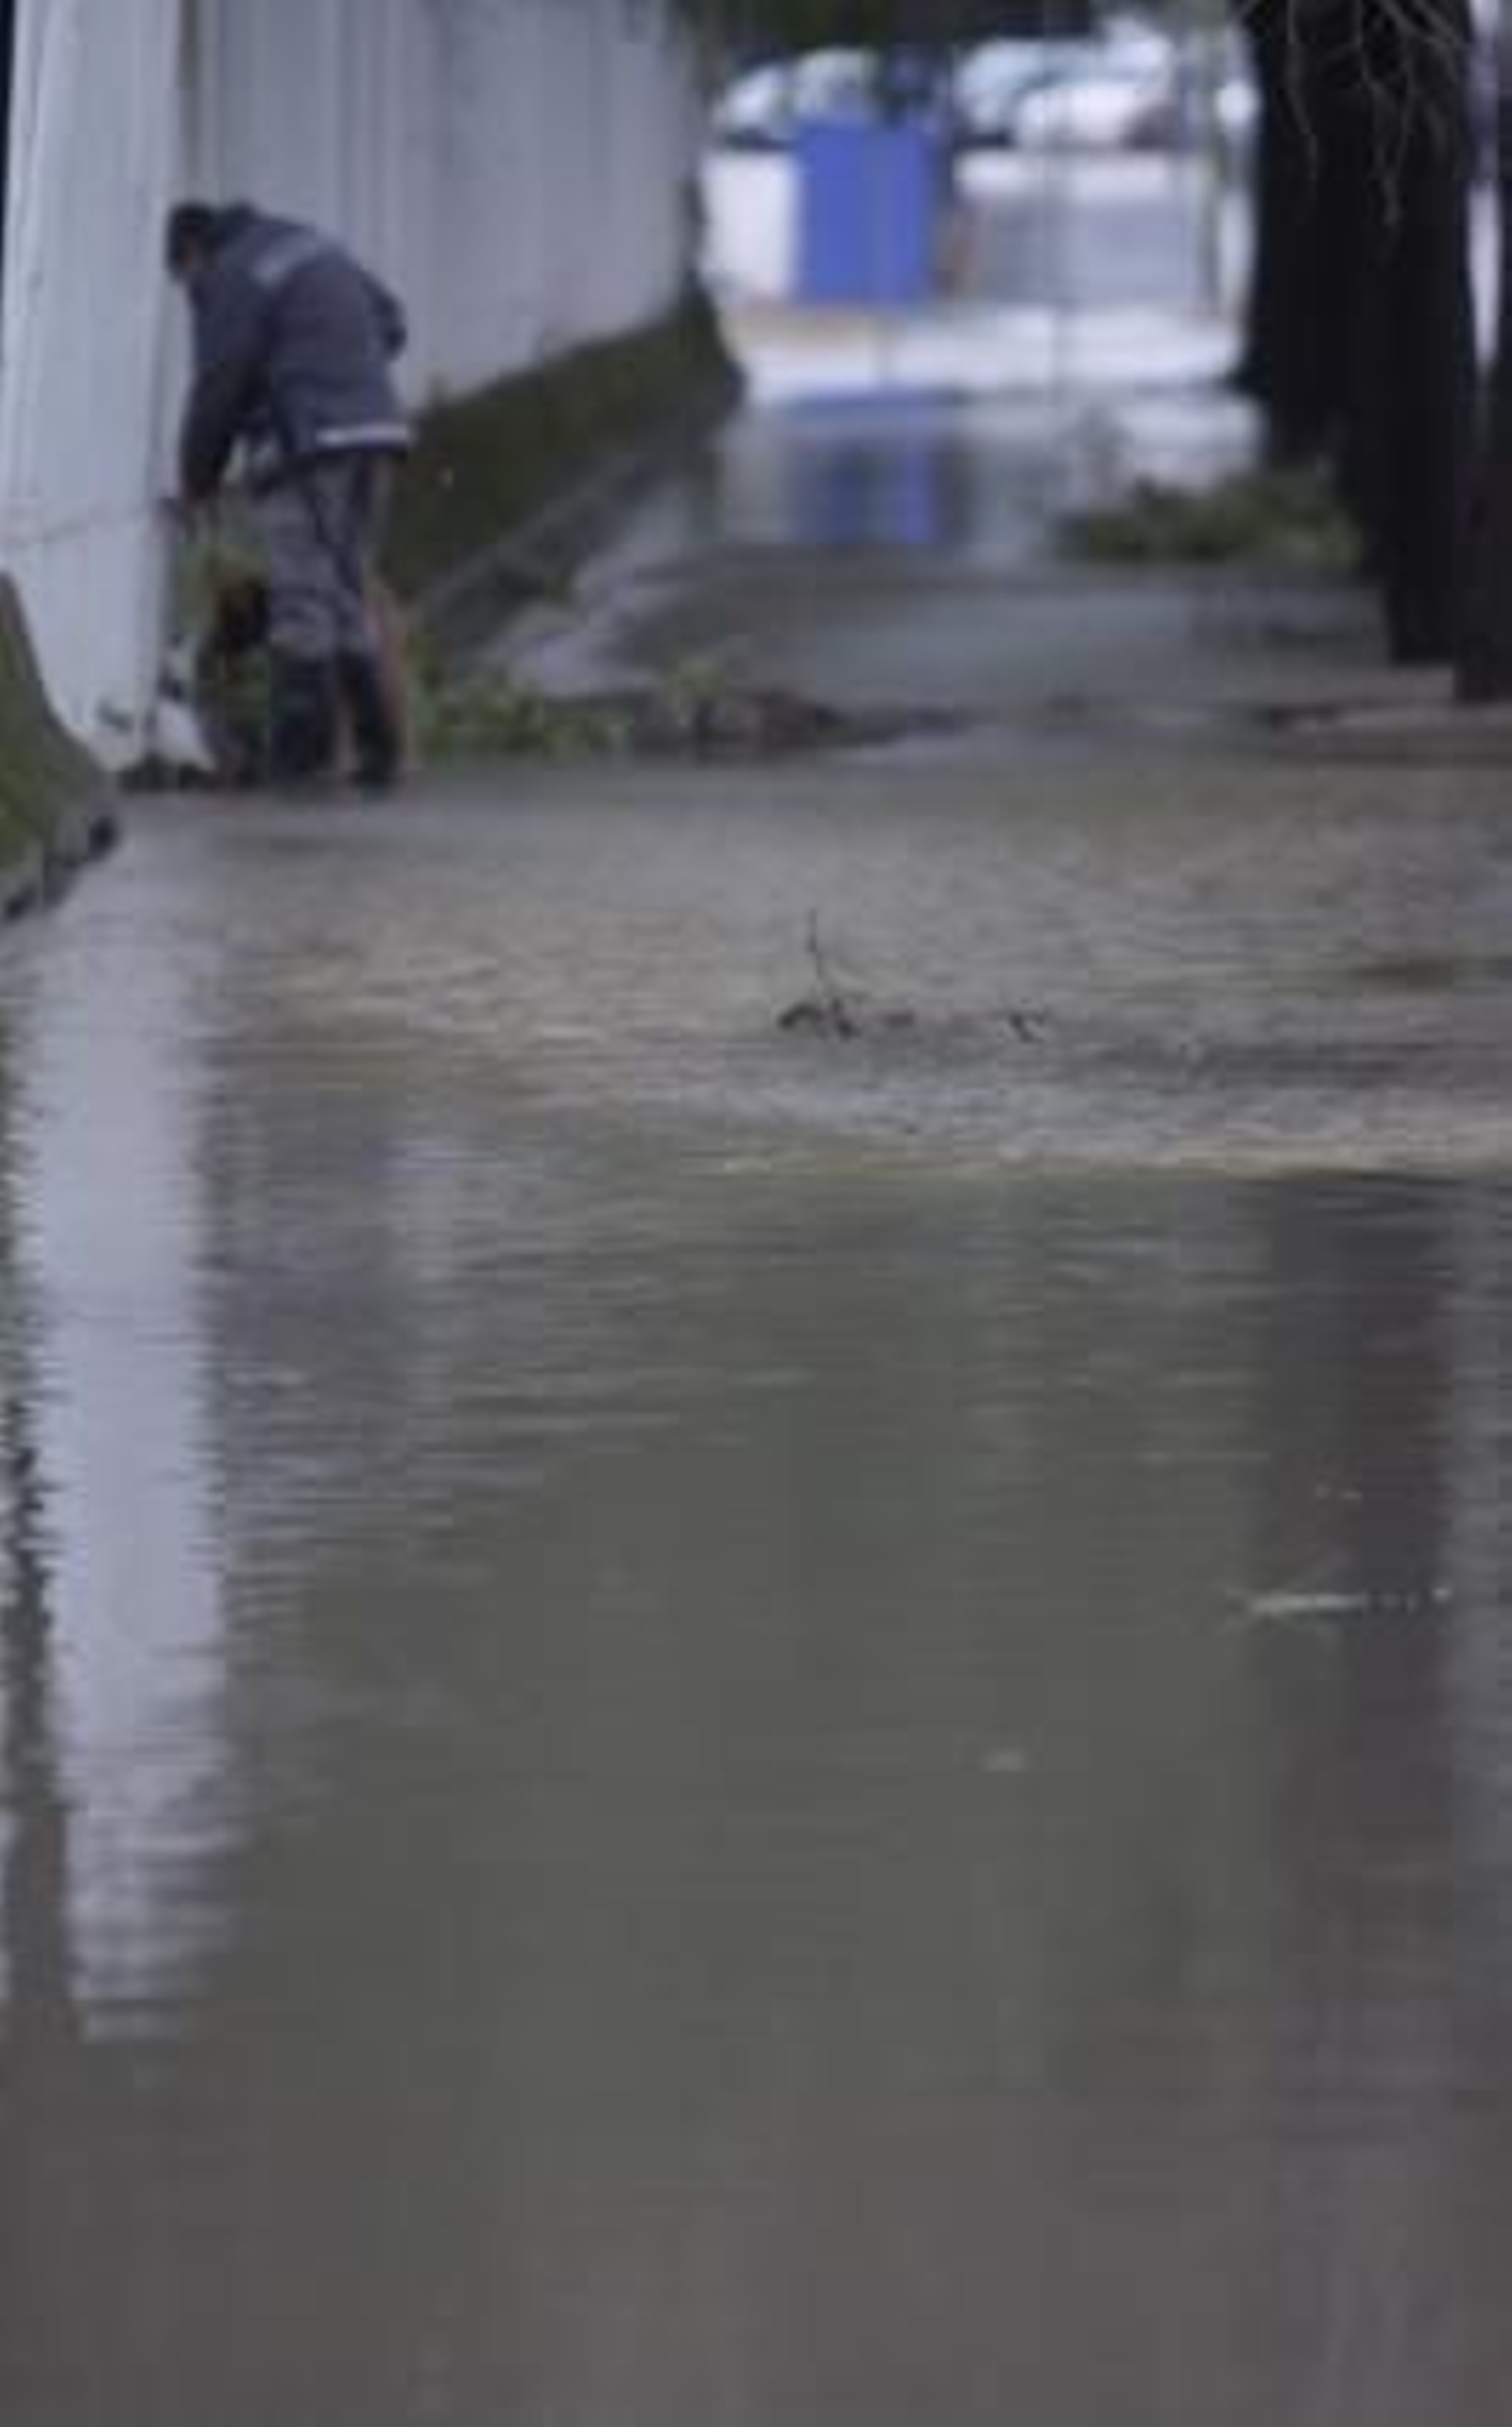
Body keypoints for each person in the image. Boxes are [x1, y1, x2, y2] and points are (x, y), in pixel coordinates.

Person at [165, 199, 411, 788]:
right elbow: (391, 321)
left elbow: (219, 386)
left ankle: (302, 765)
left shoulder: (229, 277)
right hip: (378, 433)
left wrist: (196, 482)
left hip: (306, 448)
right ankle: (379, 758)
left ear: (191, 255)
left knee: (302, 600)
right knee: (346, 592)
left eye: (182, 282)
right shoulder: (308, 241)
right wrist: (344, 377)